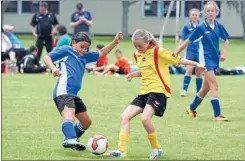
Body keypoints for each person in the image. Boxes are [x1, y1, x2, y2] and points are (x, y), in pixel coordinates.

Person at [105, 29, 205, 159]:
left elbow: (180, 60)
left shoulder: (159, 52)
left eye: (140, 45)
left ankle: (157, 149)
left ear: (147, 42)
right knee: (124, 116)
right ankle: (121, 151)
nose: (138, 48)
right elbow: (146, 71)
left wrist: (197, 64)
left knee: (145, 119)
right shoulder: (137, 54)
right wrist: (134, 74)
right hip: (144, 92)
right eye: (135, 45)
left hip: (158, 91)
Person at [43, 31, 123, 150]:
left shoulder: (84, 55)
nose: (84, 50)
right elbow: (47, 57)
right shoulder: (66, 50)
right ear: (74, 43)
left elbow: (101, 53)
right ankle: (70, 138)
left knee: (86, 122)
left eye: (86, 48)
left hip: (73, 94)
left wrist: (115, 42)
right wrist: (53, 68)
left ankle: (73, 139)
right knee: (69, 115)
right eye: (82, 47)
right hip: (63, 91)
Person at [174, 1, 229, 121]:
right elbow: (187, 41)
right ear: (204, 13)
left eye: (212, 11)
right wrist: (176, 53)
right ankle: (217, 115)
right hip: (205, 61)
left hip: (214, 60)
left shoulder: (219, 26)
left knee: (206, 88)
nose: (210, 13)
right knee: (214, 85)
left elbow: (226, 40)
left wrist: (224, 53)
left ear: (216, 12)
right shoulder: (201, 28)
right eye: (208, 11)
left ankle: (191, 108)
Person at [179, 8, 203, 97]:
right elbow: (183, 39)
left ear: (198, 16)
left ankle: (199, 92)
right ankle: (184, 90)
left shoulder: (202, 26)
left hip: (200, 52)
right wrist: (178, 51)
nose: (194, 16)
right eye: (193, 15)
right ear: (190, 16)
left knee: (199, 72)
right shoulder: (186, 27)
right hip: (190, 51)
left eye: (196, 15)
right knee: (189, 70)